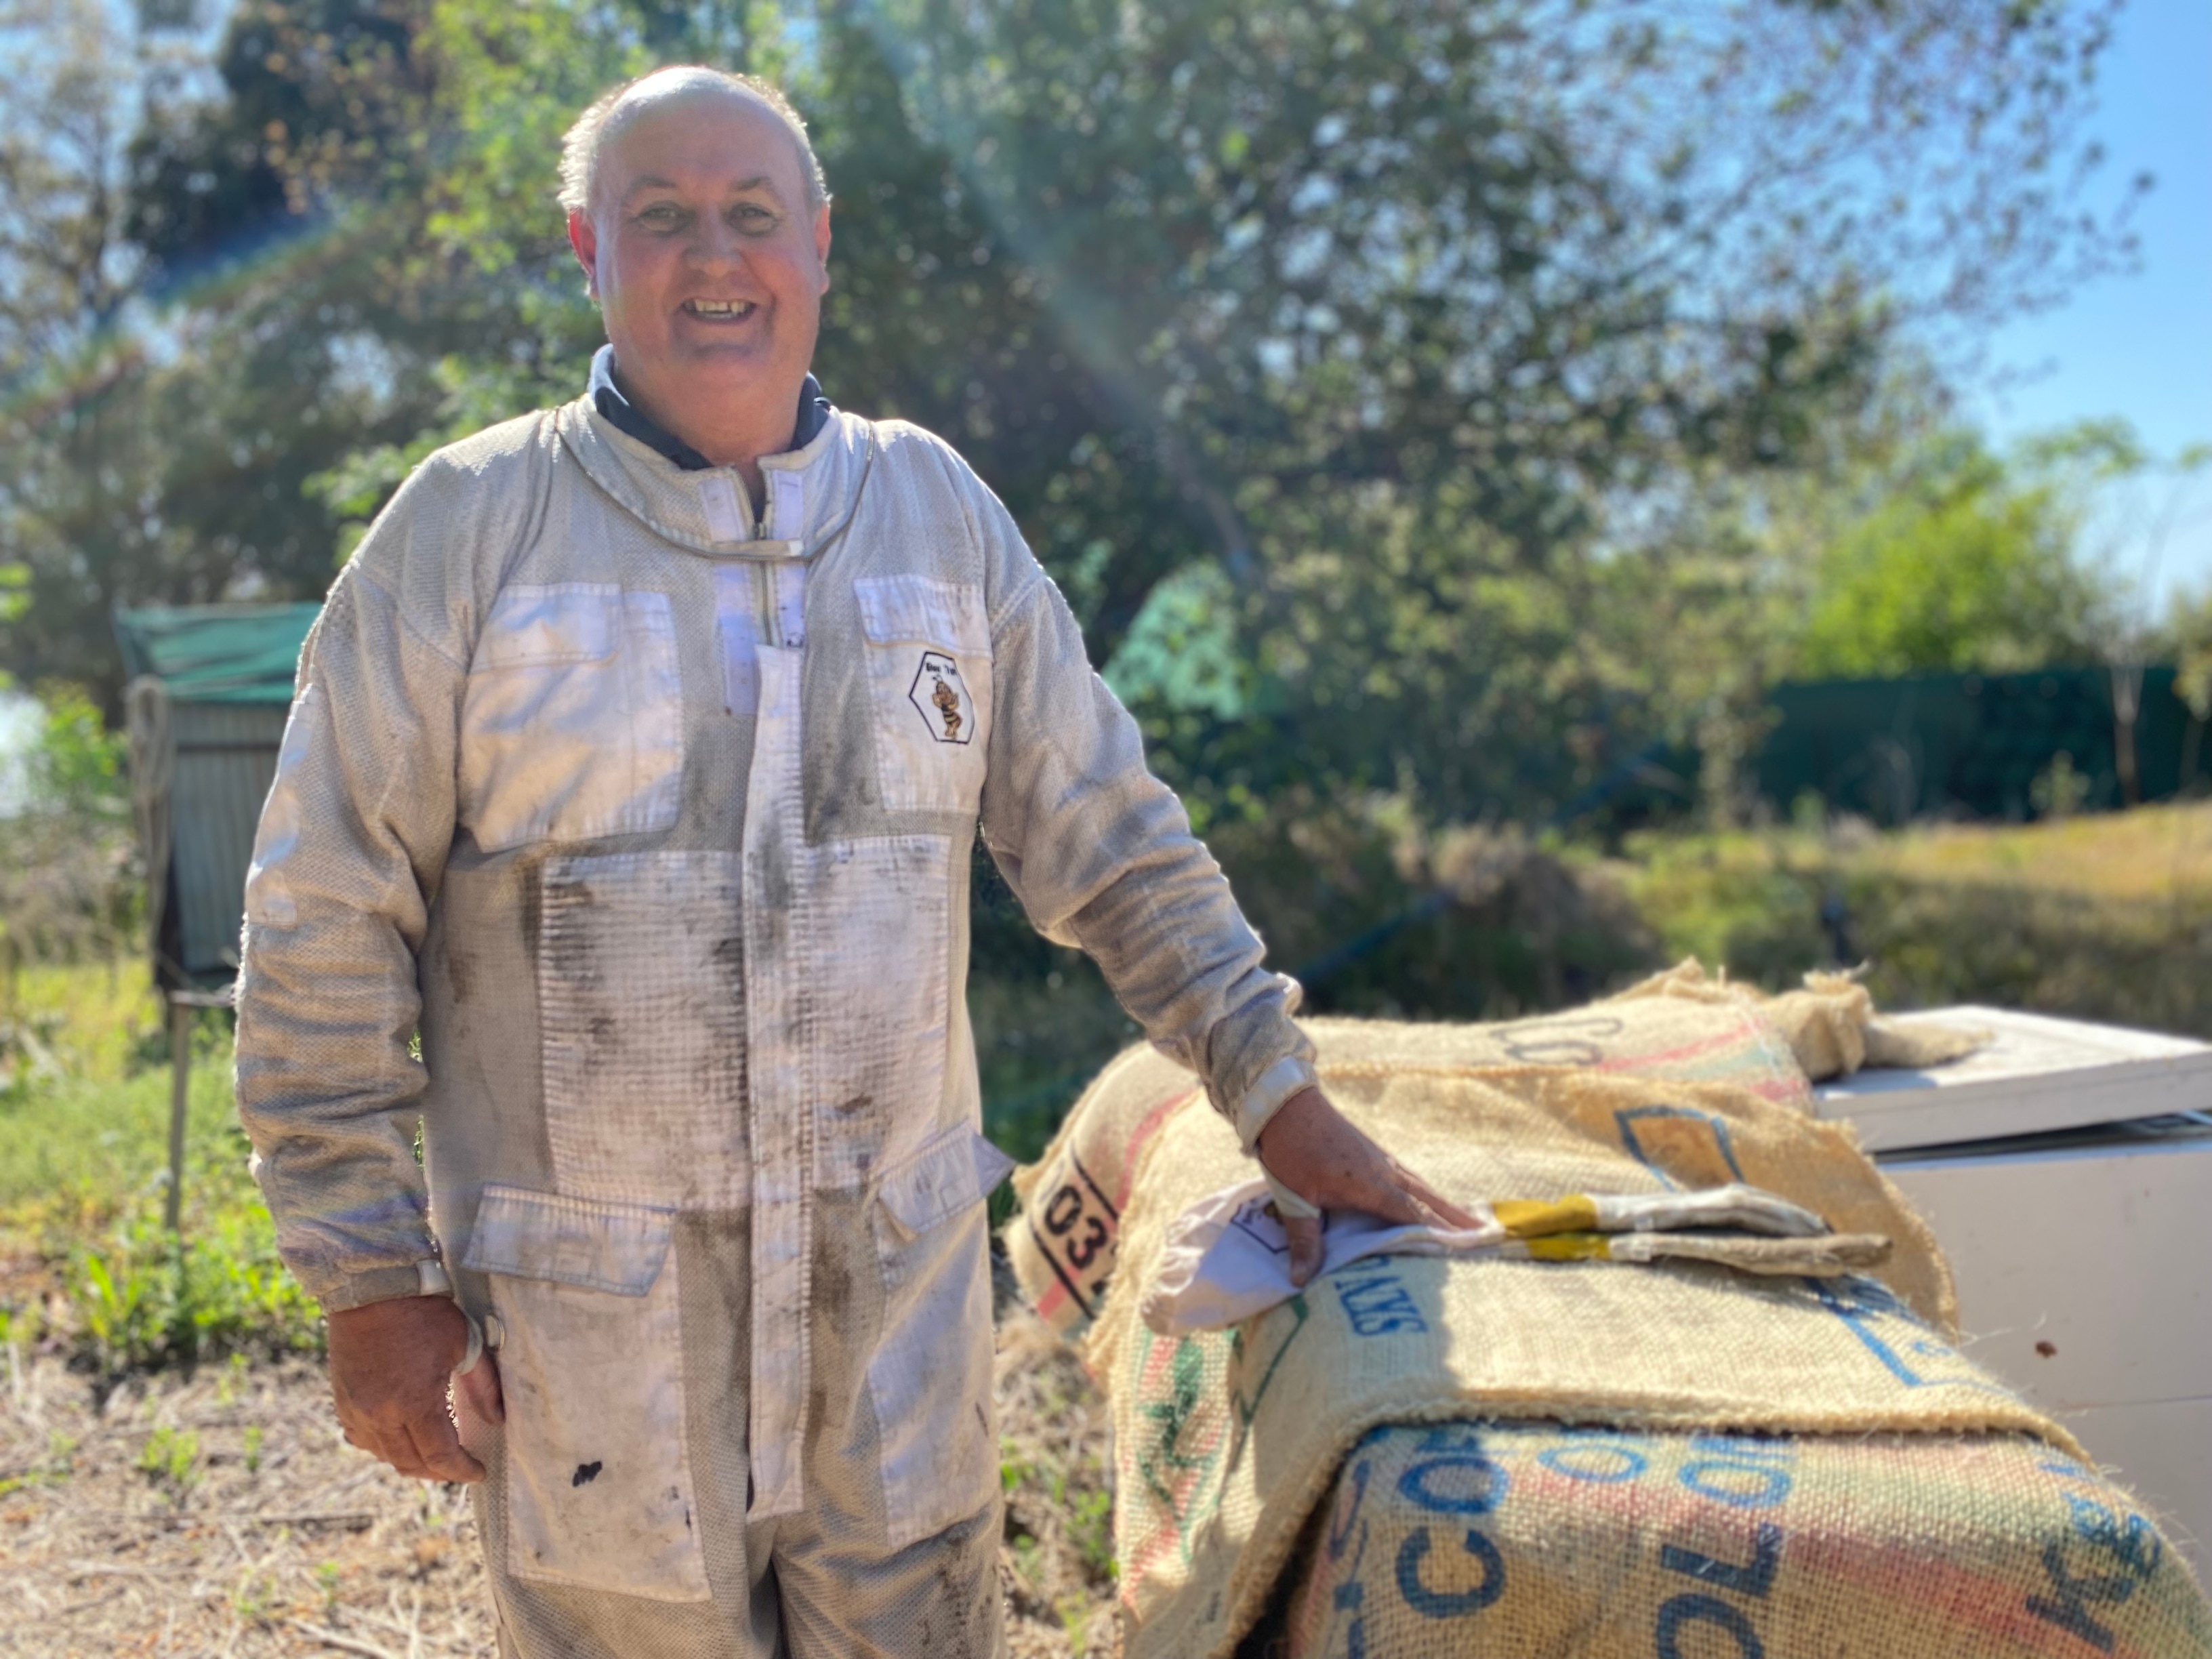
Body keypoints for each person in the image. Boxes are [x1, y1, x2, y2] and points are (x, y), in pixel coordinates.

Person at [233, 65, 1471, 1658]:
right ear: (583, 252)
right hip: (599, 1366)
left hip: (892, 1346)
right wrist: (365, 1277)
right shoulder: (469, 530)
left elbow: (1113, 838)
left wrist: (1275, 1093)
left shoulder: (935, 514)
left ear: (819, 243)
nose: (714, 256)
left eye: (754, 214)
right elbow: (323, 916)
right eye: (660, 217)